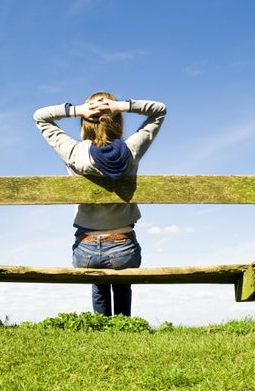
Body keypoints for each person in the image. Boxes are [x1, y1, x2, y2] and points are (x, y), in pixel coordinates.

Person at [33, 91, 167, 316]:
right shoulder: (131, 150)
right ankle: (124, 329)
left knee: (99, 284)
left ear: (86, 122)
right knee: (123, 286)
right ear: (116, 120)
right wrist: (121, 106)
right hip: (124, 247)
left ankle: (100, 327)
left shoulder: (73, 152)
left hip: (85, 251)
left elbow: (40, 116)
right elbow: (159, 111)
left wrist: (77, 110)